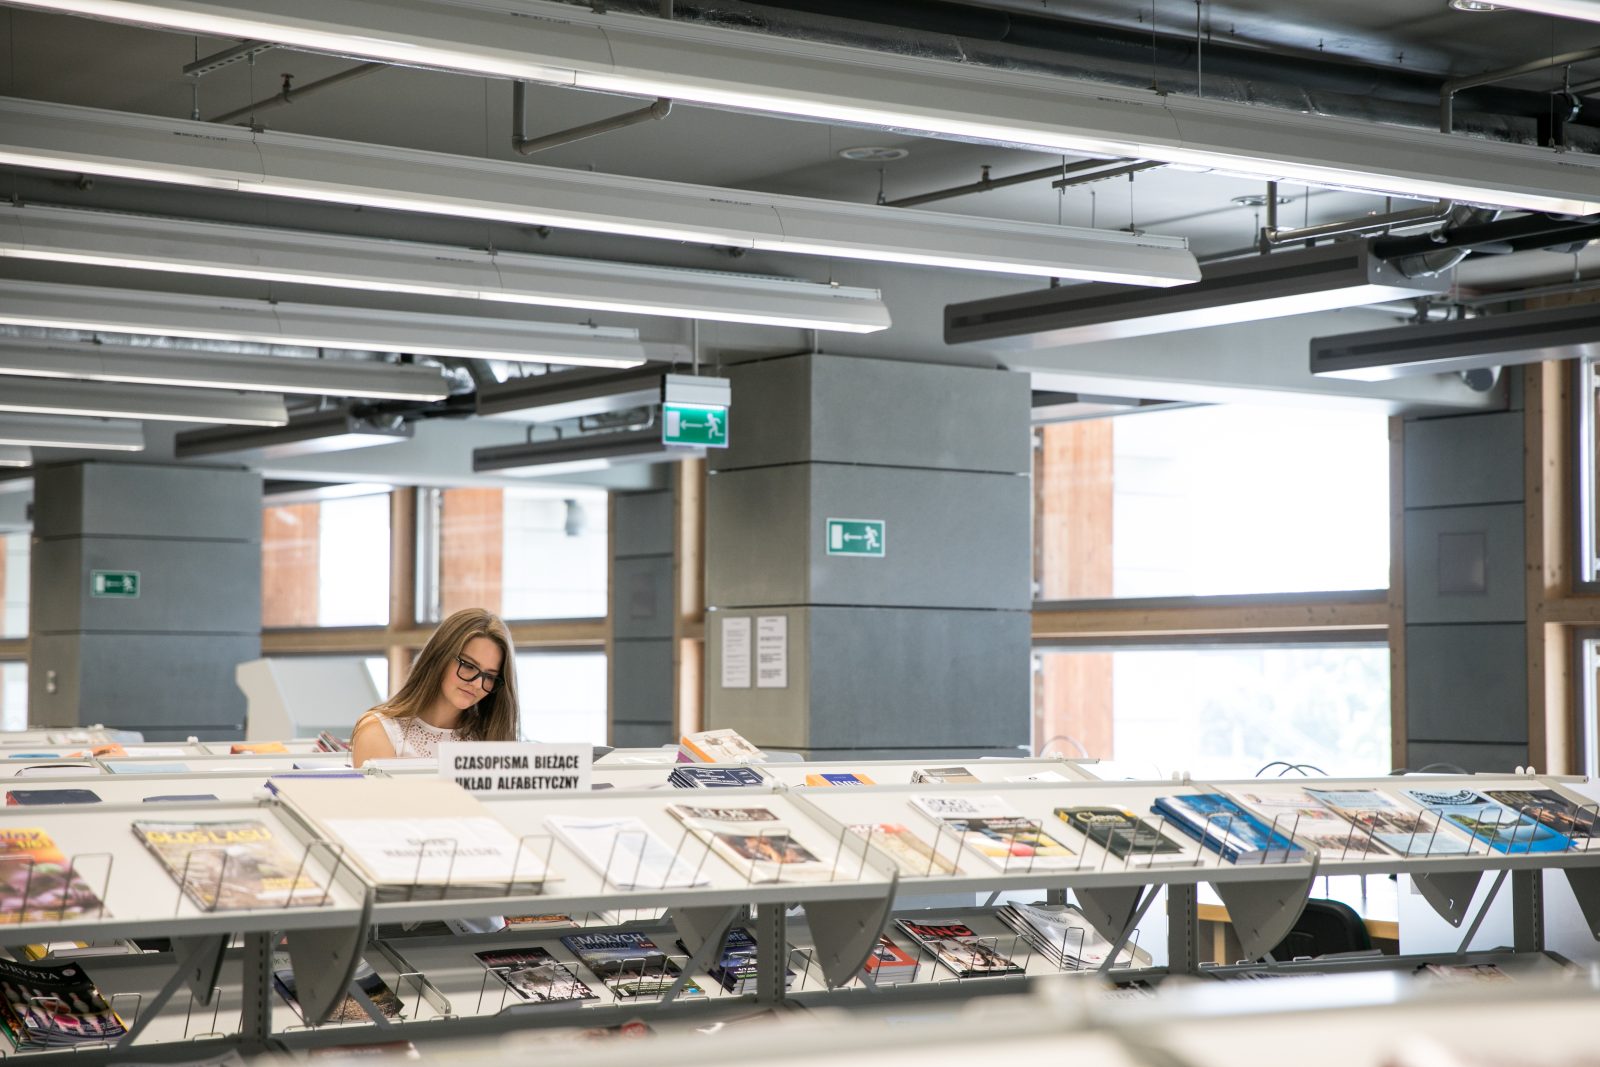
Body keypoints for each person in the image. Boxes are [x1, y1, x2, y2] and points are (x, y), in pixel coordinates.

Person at [352, 607, 519, 768]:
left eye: (489, 676)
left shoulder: (491, 738)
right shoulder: (378, 731)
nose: (476, 684)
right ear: (440, 657)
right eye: (468, 666)